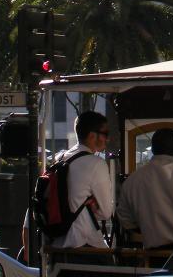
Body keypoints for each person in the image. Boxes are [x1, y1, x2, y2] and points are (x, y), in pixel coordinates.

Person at [49, 110, 114, 265]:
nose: (108, 138)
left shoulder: (60, 158)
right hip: (84, 245)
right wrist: (93, 205)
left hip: (57, 244)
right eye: (105, 133)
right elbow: (106, 212)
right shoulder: (96, 164)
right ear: (92, 135)